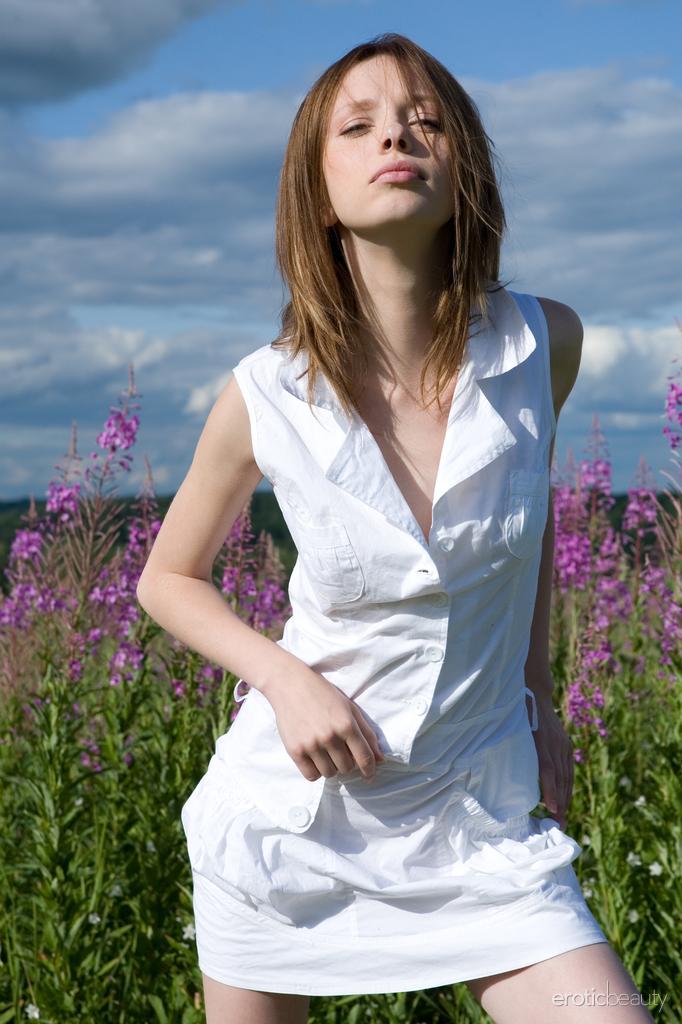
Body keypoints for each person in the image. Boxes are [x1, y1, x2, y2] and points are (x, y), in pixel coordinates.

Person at [136, 32, 654, 1024]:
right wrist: (285, 680)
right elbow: (168, 578)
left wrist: (538, 697)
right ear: (318, 191)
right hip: (291, 825)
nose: (397, 138)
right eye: (359, 126)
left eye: (425, 122)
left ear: (465, 172)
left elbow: (529, 527)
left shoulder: (545, 342)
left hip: (481, 823)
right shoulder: (264, 394)